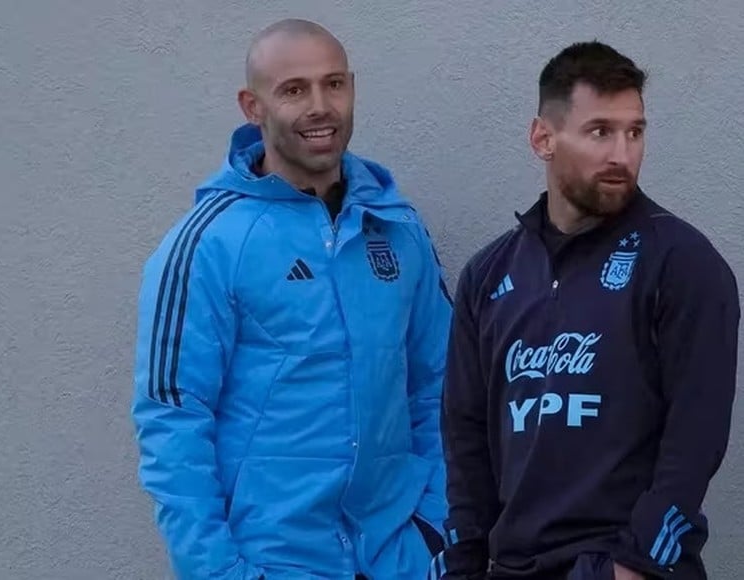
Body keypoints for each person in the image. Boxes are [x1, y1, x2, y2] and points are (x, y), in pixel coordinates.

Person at [131, 18, 453, 579]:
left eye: (334, 84)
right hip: (274, 560)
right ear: (252, 107)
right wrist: (218, 572)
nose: (320, 106)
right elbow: (172, 420)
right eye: (293, 90)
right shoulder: (207, 241)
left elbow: (443, 384)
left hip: (396, 557)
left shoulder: (397, 229)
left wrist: (435, 527)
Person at [435, 41, 740, 580]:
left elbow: (694, 445)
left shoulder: (683, 264)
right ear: (543, 139)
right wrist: (463, 562)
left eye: (635, 132)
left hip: (621, 565)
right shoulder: (488, 276)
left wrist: (635, 566)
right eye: (600, 131)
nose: (622, 154)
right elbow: (465, 439)